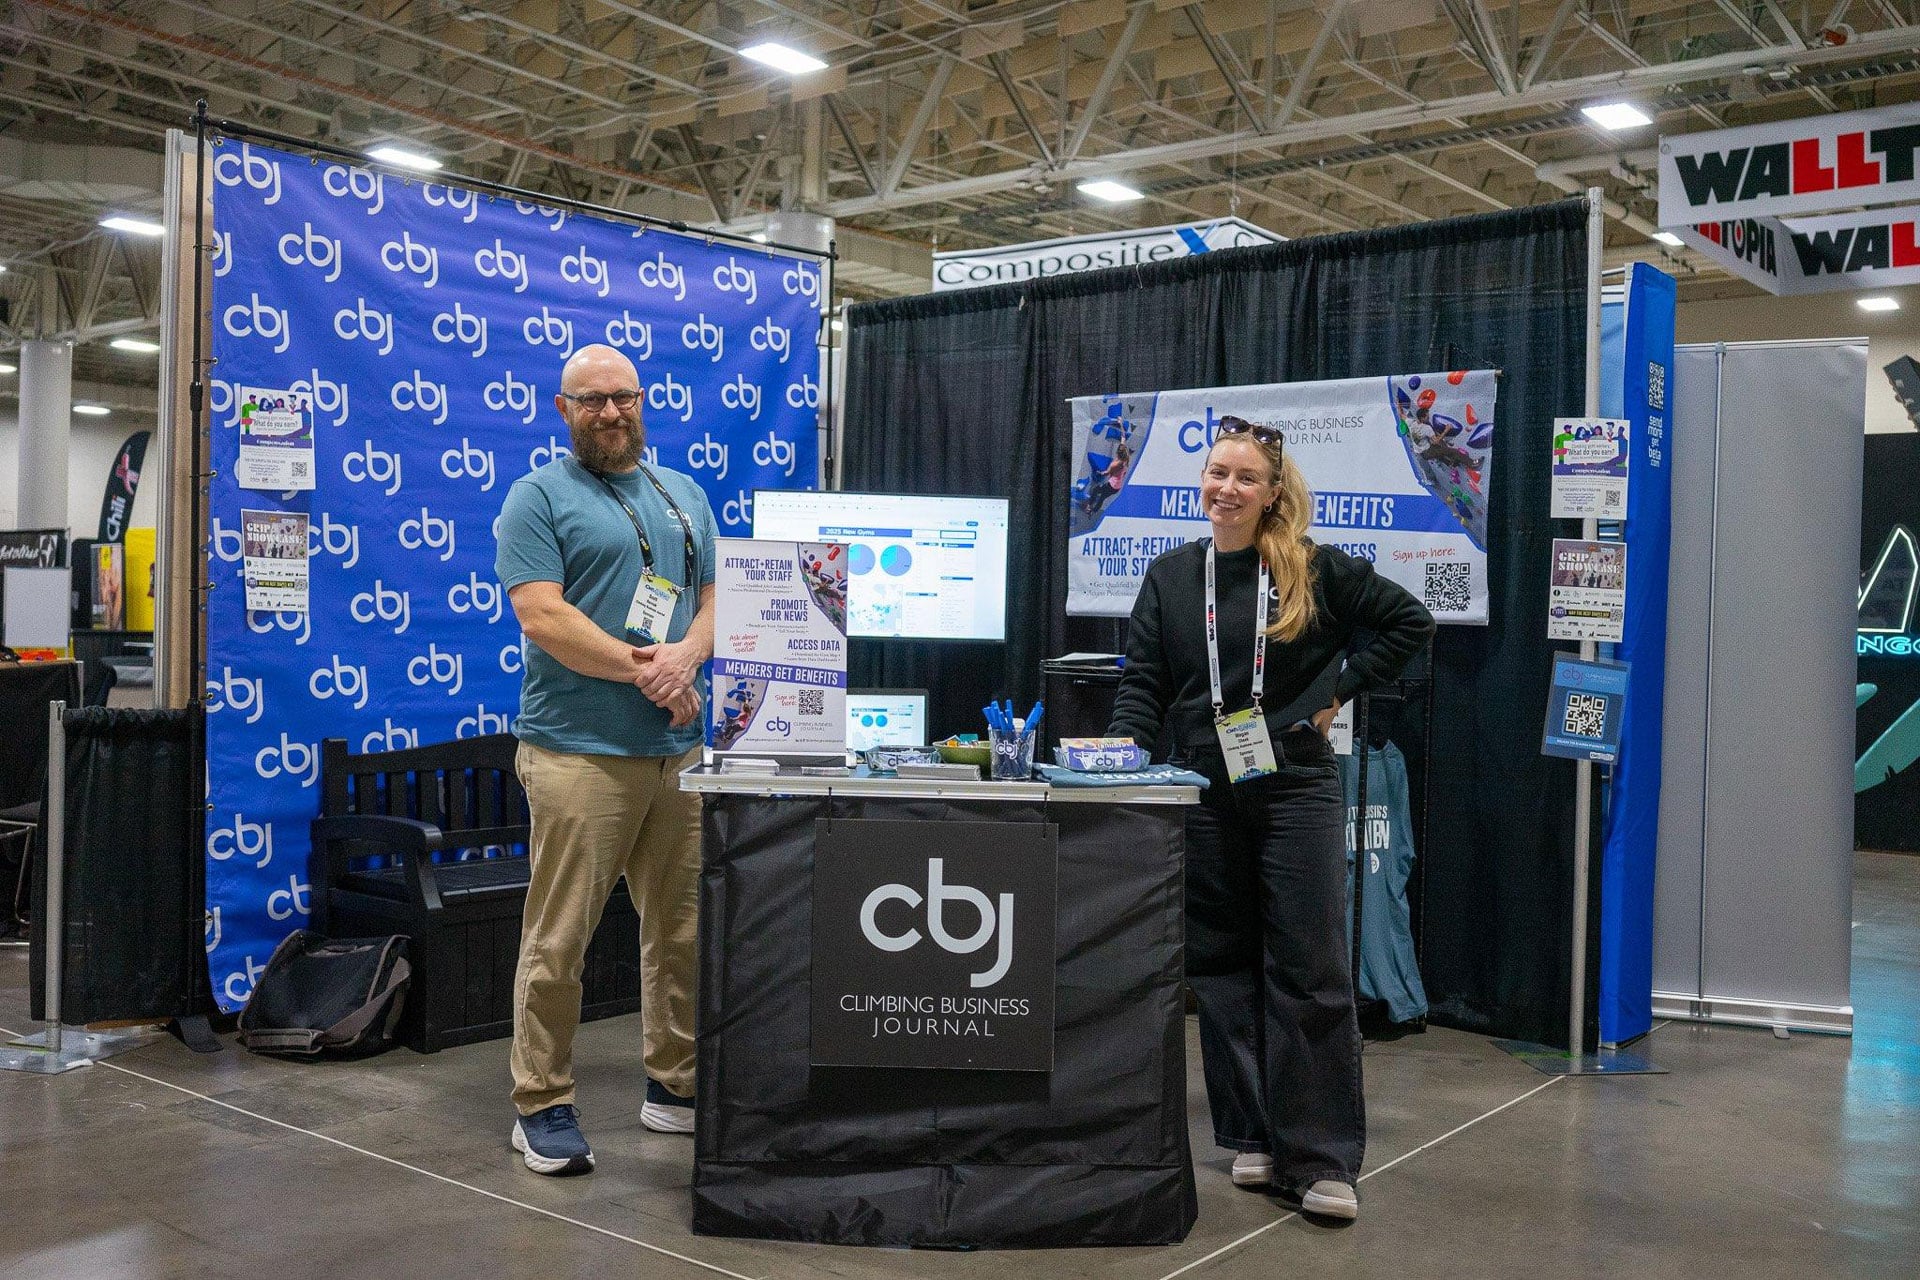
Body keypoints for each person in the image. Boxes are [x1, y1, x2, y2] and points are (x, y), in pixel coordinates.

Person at [1107, 415, 1434, 1221]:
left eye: (1245, 478)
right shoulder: (1170, 576)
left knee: (1308, 964)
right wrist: (1116, 763)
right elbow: (1144, 685)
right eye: (1218, 472)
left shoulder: (1312, 570)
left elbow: (1408, 623)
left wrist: (1335, 695)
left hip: (1292, 786)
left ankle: (1320, 1157)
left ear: (1272, 492)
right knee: (1220, 968)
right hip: (1204, 788)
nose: (1227, 488)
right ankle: (1252, 1133)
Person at [494, 344, 717, 1176]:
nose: (610, 413)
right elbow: (542, 616)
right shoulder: (537, 497)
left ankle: (676, 1085)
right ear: (564, 410)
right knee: (560, 941)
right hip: (577, 754)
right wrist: (649, 669)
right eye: (591, 401)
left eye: (622, 398)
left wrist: (684, 660)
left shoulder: (683, 492)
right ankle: (541, 1102)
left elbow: (712, 598)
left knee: (683, 931)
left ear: (642, 401)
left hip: (677, 750)